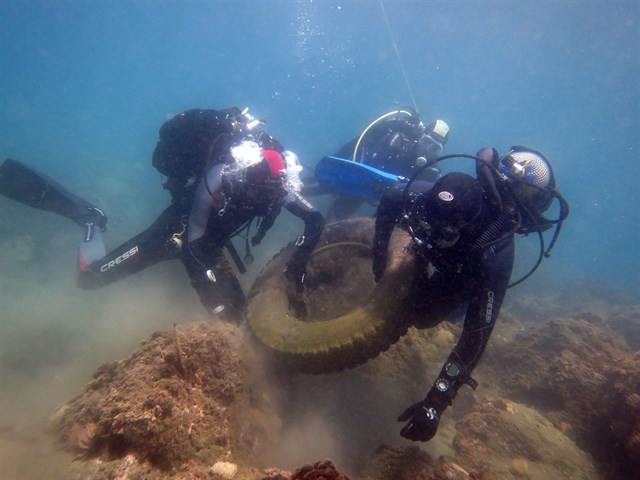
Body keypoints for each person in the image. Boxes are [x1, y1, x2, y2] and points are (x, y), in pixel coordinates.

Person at [0, 107, 324, 322]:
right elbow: (193, 243)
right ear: (244, 178)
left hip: (208, 245)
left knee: (239, 318)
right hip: (178, 233)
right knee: (90, 279)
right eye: (259, 190)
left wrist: (297, 272)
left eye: (273, 192)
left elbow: (315, 221)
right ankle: (87, 217)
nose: (266, 197)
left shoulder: (279, 185)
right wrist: (211, 290)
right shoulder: (222, 176)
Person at [372, 146, 569, 441]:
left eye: (453, 227)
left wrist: (436, 401)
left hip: (461, 274)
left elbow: (476, 333)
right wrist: (381, 269)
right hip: (440, 258)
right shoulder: (453, 203)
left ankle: (437, 302)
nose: (447, 230)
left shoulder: (495, 256)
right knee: (421, 310)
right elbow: (391, 198)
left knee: (422, 317)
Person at [310, 107, 450, 221]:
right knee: (314, 190)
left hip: (385, 199)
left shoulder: (430, 172)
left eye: (434, 148)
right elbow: (372, 136)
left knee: (367, 228)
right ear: (420, 137)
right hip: (359, 183)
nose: (427, 150)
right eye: (427, 143)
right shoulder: (399, 143)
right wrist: (397, 125)